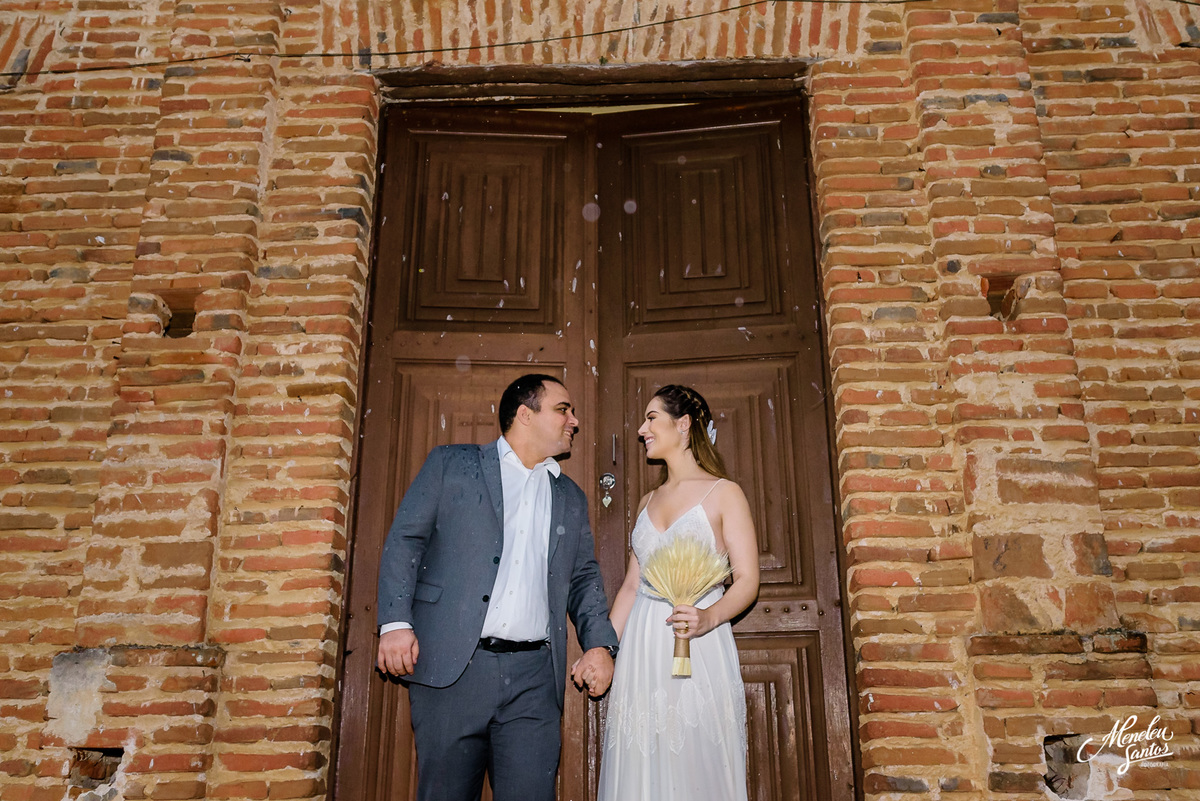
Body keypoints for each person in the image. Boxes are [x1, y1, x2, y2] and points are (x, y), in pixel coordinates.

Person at [375, 373, 619, 801]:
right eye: (564, 409)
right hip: (454, 670)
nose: (574, 421)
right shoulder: (452, 464)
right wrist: (395, 622)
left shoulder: (571, 498)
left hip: (534, 680)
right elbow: (405, 540)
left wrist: (599, 644)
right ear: (525, 415)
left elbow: (583, 577)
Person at [595, 384, 760, 801]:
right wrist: (605, 650)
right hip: (644, 645)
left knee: (696, 756)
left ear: (683, 424)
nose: (641, 429)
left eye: (652, 418)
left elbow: (747, 581)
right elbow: (632, 586)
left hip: (699, 637)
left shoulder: (725, 493)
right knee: (642, 760)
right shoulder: (647, 500)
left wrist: (710, 618)